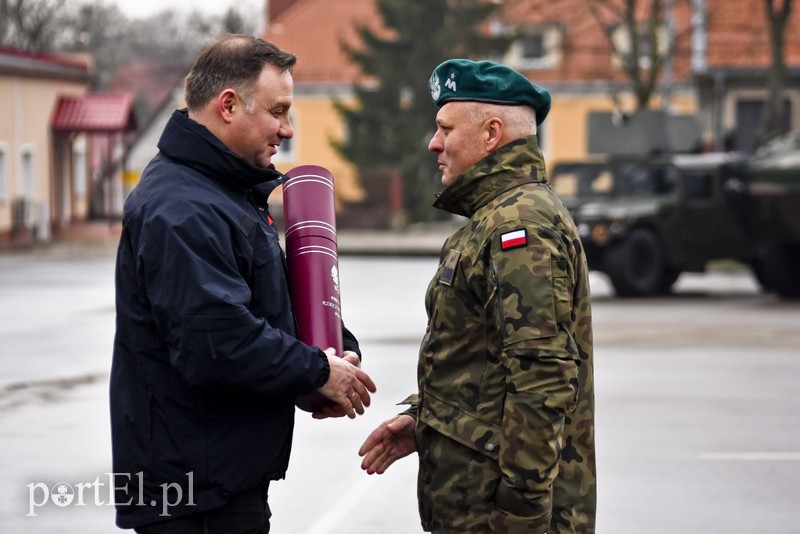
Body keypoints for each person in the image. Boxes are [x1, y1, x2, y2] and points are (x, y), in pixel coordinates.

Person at [110, 34, 376, 533]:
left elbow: (265, 306)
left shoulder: (223, 191)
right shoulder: (181, 206)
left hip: (219, 479)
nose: (288, 129)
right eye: (278, 111)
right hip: (193, 495)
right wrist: (316, 369)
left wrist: (334, 351)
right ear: (228, 105)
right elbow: (216, 342)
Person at [358, 59, 596, 533]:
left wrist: (520, 516)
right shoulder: (494, 219)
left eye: (445, 128)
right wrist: (426, 418)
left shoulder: (518, 226)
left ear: (491, 134)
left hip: (500, 517)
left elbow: (541, 383)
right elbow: (483, 362)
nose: (434, 143)